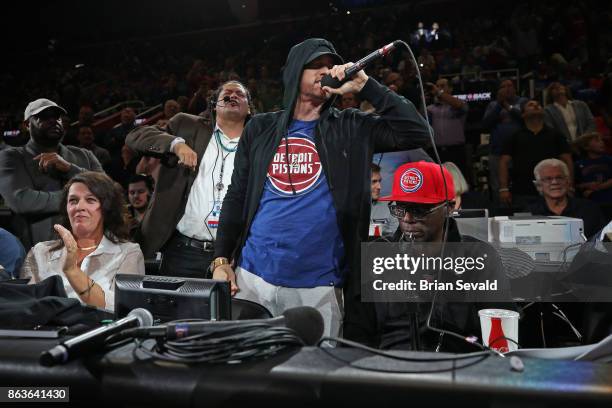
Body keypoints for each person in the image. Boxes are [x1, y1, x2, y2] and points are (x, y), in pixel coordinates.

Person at [211, 38, 431, 343]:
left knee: (312, 382)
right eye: (316, 65)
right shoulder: (260, 128)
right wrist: (221, 260)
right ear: (293, 73)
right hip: (253, 278)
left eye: (330, 65)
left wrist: (366, 86)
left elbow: (417, 132)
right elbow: (236, 196)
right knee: (252, 377)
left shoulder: (352, 126)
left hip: (319, 285)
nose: (326, 70)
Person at [375, 161, 513, 351]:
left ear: (449, 207)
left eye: (419, 209)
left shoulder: (480, 256)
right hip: (389, 371)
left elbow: (501, 330)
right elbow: (359, 334)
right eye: (400, 208)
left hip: (461, 369)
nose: (407, 219)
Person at [126, 80, 252, 278]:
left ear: (249, 108)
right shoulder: (187, 125)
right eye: (227, 93)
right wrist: (175, 145)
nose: (233, 96)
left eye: (240, 94)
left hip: (235, 253)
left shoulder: (258, 140)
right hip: (182, 250)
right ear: (214, 104)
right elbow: (136, 136)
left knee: (231, 309)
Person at [19, 172, 144, 310]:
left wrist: (72, 271)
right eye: (73, 200)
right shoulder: (40, 252)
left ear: (106, 208)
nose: (79, 207)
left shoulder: (128, 253)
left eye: (90, 200)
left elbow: (122, 308)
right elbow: (26, 305)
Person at [0, 98, 103, 250]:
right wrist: (82, 199)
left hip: (89, 251)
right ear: (27, 124)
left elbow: (108, 191)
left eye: (57, 117)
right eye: (44, 117)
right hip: (38, 255)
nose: (54, 121)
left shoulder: (84, 155)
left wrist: (70, 169)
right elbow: (21, 200)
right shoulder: (11, 157)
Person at [499, 99, 573, 210]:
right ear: (523, 114)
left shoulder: (556, 135)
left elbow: (567, 160)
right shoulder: (515, 136)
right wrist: (503, 188)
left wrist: (570, 184)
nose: (536, 106)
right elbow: (503, 162)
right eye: (531, 105)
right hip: (522, 191)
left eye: (538, 105)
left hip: (553, 189)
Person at [528, 159, 606, 239]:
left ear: (568, 182)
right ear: (538, 185)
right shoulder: (530, 213)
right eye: (548, 179)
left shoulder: (589, 209)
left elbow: (603, 242)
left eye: (559, 178)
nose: (555, 182)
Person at [482, 80, 527, 205]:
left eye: (510, 86)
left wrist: (508, 107)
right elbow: (485, 125)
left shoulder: (523, 102)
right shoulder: (493, 105)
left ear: (515, 88)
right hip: (498, 150)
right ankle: (501, 212)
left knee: (521, 182)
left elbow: (526, 119)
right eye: (503, 86)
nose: (507, 89)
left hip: (520, 150)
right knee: (498, 185)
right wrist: (499, 105)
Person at [426, 78, 469, 176]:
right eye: (437, 86)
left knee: (458, 185)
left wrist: (438, 92)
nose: (438, 89)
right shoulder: (430, 108)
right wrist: (423, 99)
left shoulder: (459, 103)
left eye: (442, 86)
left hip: (455, 151)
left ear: (450, 89)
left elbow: (459, 105)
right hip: (436, 152)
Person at [573, 132, 612, 203]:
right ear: (586, 147)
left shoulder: (609, 160)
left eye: (601, 140)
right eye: (597, 141)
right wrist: (587, 185)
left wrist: (598, 187)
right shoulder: (578, 164)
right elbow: (576, 184)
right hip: (591, 202)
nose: (602, 142)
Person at [370, 163, 399, 238]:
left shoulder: (391, 206)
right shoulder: (345, 210)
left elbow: (396, 241)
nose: (379, 187)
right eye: (373, 182)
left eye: (379, 181)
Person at [127, 173, 154, 238]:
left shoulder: (159, 213)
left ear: (150, 192)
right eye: (132, 193)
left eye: (141, 191)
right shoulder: (122, 215)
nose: (136, 196)